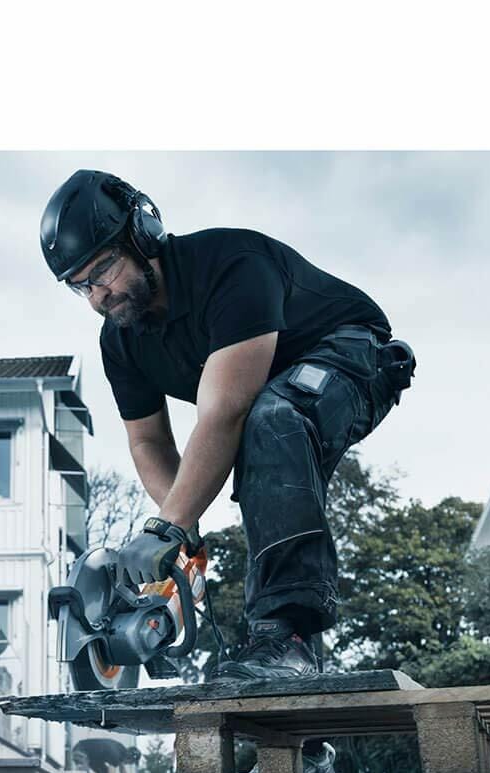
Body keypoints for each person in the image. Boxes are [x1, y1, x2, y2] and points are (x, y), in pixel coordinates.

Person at [40, 169, 415, 687]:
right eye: (80, 286)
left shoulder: (232, 266)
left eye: (103, 269)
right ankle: (299, 711)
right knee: (268, 466)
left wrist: (166, 525)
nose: (98, 295)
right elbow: (147, 440)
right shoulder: (122, 341)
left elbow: (225, 413)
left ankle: (289, 638)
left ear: (142, 235)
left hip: (354, 355)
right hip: (271, 396)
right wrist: (183, 532)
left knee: (272, 419)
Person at [71, 737, 141, 773]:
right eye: (131, 763)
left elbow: (122, 769)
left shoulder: (122, 750)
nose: (128, 764)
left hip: (93, 757)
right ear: (129, 758)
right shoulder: (115, 755)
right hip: (81, 750)